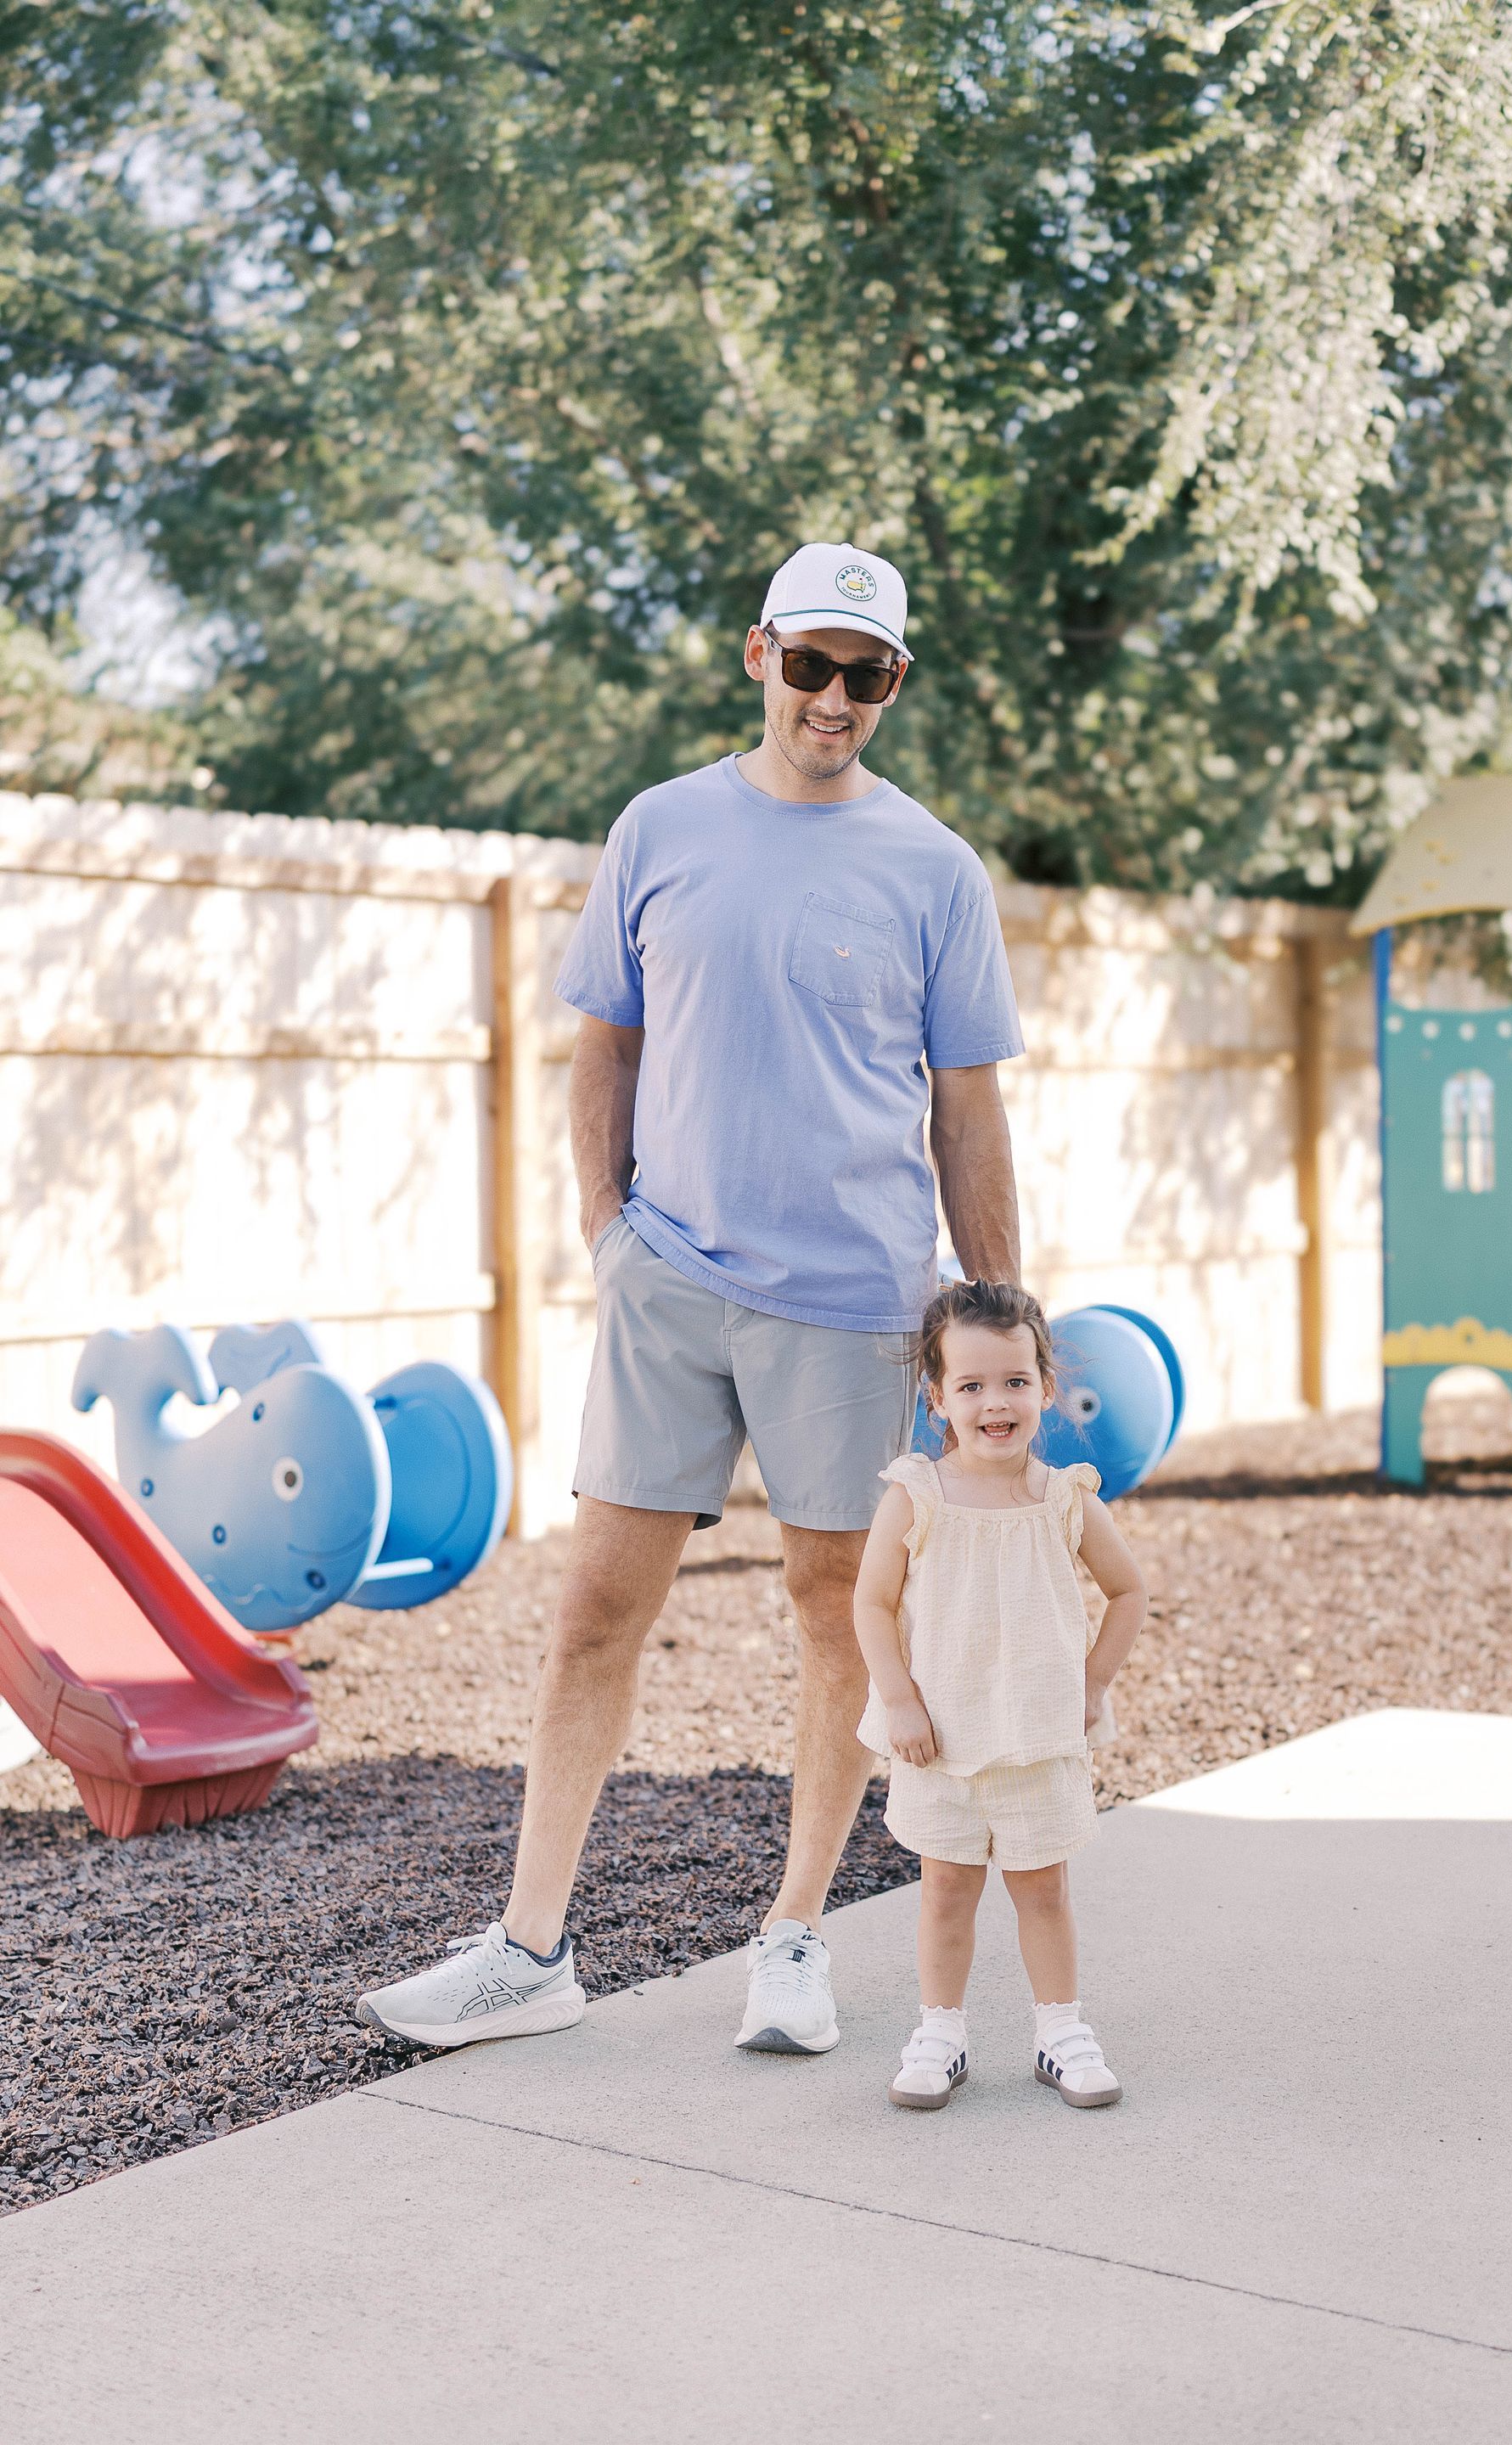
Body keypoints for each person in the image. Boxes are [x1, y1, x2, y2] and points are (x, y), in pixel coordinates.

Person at [359, 541, 1026, 2056]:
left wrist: (989, 1317)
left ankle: (792, 1937)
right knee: (598, 1607)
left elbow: (969, 1110)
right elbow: (605, 1043)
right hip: (669, 1283)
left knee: (832, 1615)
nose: (835, 698)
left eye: (868, 675)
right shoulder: (661, 827)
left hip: (857, 1302)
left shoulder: (934, 868)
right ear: (759, 657)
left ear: (893, 685)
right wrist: (608, 1229)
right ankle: (530, 1949)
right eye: (812, 664)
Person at [852, 1277, 1148, 2111]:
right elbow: (871, 1604)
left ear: (1046, 1388)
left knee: (1043, 1888)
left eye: (1015, 1382)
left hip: (1037, 1739)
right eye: (972, 1385)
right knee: (946, 1888)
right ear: (936, 1394)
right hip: (939, 1741)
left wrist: (1092, 1683)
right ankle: (939, 2031)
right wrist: (899, 1699)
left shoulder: (1064, 1499)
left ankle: (1061, 2032)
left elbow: (1130, 1593)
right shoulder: (917, 1495)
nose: (996, 1402)